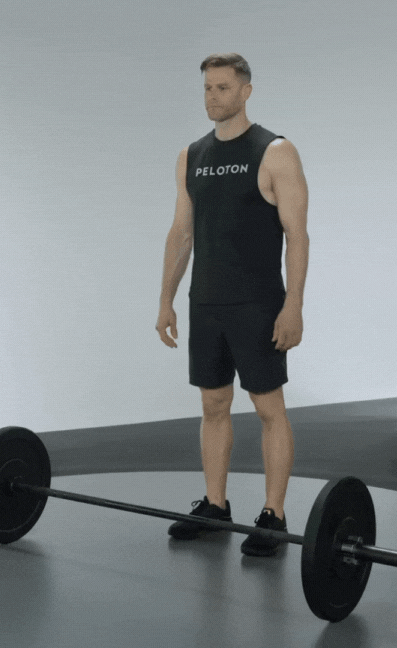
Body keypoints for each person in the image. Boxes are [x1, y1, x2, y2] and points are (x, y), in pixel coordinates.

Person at [156, 53, 309, 557]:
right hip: (207, 302)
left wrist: (293, 305)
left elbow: (297, 235)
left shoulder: (275, 151)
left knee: (268, 408)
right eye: (207, 88)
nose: (213, 96)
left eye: (223, 88)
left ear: (246, 92)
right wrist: (166, 299)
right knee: (213, 405)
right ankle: (216, 506)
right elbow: (181, 233)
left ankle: (273, 515)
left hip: (258, 303)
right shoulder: (191, 155)